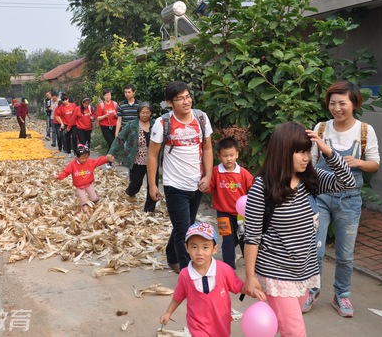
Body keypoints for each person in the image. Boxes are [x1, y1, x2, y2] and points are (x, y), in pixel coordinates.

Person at [241, 122, 356, 337]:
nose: (306, 157)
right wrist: (250, 277)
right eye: (299, 152)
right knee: (295, 332)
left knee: (284, 327)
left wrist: (328, 151)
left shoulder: (311, 179)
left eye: (307, 151)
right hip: (276, 272)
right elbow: (253, 236)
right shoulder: (262, 187)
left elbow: (348, 182)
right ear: (283, 151)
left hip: (304, 270)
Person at [303, 81, 380, 317]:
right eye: (332, 103)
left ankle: (342, 296)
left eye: (342, 103)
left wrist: (358, 163)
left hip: (350, 200)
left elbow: (375, 164)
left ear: (354, 103)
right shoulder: (322, 128)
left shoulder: (365, 130)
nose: (336, 108)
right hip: (322, 197)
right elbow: (312, 163)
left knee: (345, 254)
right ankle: (312, 290)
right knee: (314, 248)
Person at [147, 80, 213, 273]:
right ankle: (188, 271)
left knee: (184, 225)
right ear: (170, 103)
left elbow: (207, 148)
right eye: (180, 99)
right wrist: (152, 185)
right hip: (174, 186)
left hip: (196, 184)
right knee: (185, 231)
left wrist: (208, 176)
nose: (186, 102)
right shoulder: (162, 123)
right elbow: (152, 155)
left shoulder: (201, 118)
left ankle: (171, 254)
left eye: (188, 97)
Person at [160, 222, 244, 337]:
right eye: (194, 247)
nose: (199, 252)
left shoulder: (224, 270)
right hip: (197, 324)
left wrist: (254, 290)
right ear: (187, 248)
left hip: (221, 323)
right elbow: (178, 296)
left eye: (205, 247)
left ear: (214, 249)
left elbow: (238, 286)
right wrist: (168, 312)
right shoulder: (185, 275)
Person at [205, 137, 254, 270]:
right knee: (227, 240)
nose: (229, 159)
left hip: (242, 214)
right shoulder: (215, 172)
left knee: (244, 239)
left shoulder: (243, 173)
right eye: (225, 155)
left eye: (232, 155)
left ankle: (251, 264)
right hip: (223, 213)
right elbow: (208, 187)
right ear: (219, 156)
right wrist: (202, 184)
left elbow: (253, 188)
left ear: (237, 154)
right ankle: (229, 268)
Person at [107, 102, 158, 213]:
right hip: (137, 159)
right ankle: (130, 192)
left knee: (152, 185)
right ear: (138, 113)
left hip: (152, 160)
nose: (145, 115)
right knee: (136, 184)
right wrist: (111, 152)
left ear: (151, 113)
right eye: (142, 112)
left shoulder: (156, 124)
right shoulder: (131, 125)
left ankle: (149, 210)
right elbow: (120, 139)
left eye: (147, 112)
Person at [56, 144, 108, 213]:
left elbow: (98, 161)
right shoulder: (73, 164)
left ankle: (96, 206)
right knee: (84, 199)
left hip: (89, 183)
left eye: (86, 158)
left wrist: (107, 159)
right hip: (79, 186)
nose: (84, 160)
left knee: (94, 198)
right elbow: (66, 171)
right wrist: (60, 176)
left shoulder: (90, 162)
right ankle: (85, 210)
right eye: (82, 158)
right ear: (77, 157)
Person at [97, 88, 118, 169]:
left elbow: (118, 115)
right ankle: (108, 161)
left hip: (114, 125)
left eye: (109, 95)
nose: (108, 96)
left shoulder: (115, 104)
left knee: (114, 143)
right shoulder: (101, 105)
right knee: (111, 142)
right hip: (105, 126)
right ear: (104, 96)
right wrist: (104, 116)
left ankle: (111, 159)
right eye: (106, 95)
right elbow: (98, 118)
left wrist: (116, 115)